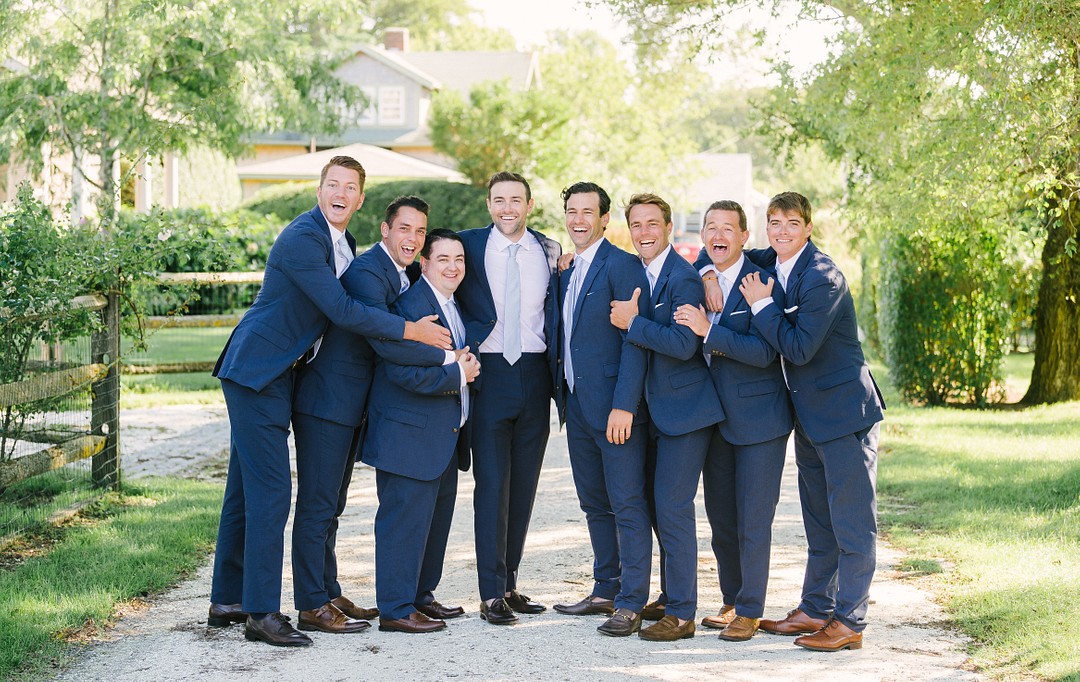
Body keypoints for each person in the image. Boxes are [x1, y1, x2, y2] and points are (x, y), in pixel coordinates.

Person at [207, 156, 451, 647]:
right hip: (257, 370)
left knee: (242, 490)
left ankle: (226, 600)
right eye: (332, 184)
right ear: (320, 190)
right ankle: (260, 613)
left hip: (283, 374)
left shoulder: (344, 242)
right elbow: (340, 310)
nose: (340, 193)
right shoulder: (304, 238)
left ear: (360, 199)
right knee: (272, 492)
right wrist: (413, 330)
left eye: (350, 187)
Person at [290, 196, 459, 634]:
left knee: (334, 505)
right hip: (328, 403)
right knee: (317, 505)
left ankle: (328, 590)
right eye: (405, 229)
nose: (413, 238)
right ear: (386, 230)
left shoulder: (398, 274)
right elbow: (386, 343)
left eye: (420, 231)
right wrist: (447, 361)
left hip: (353, 406)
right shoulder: (369, 273)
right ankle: (311, 604)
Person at [739, 191, 885, 652]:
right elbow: (724, 249)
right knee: (819, 519)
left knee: (852, 522)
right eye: (774, 222)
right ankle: (815, 609)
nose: (781, 231)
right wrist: (705, 267)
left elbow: (800, 348)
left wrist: (762, 306)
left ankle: (850, 622)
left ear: (808, 228)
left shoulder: (823, 278)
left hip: (843, 415)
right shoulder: (776, 260)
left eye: (791, 223)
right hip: (809, 417)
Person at [673, 200, 793, 641]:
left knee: (753, 519)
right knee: (721, 517)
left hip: (760, 420)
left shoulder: (761, 281)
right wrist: (705, 272)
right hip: (713, 419)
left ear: (745, 236)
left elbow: (765, 353)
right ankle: (730, 599)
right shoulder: (696, 277)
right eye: (710, 228)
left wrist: (711, 332)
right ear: (702, 236)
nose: (719, 235)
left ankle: (751, 609)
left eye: (728, 228)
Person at [609, 193, 725, 641]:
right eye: (636, 225)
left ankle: (682, 613)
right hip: (654, 414)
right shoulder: (642, 274)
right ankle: (670, 595)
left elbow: (682, 344)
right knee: (658, 509)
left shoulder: (682, 276)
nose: (644, 233)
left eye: (652, 224)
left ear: (669, 227)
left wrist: (632, 323)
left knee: (674, 510)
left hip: (687, 413)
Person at [361, 229, 481, 634]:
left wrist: (462, 363)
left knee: (433, 522)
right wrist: (456, 374)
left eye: (459, 259)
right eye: (443, 259)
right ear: (424, 264)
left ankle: (420, 596)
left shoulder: (450, 303)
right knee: (403, 522)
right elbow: (399, 371)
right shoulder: (410, 306)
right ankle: (396, 609)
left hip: (443, 434)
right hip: (408, 435)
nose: (453, 267)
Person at [454, 171, 561, 625]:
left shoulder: (550, 250)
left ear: (530, 204)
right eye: (499, 200)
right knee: (493, 484)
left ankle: (511, 581)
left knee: (524, 486)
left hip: (536, 375)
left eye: (515, 200)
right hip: (488, 373)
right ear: (488, 204)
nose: (507, 208)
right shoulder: (467, 246)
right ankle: (490, 591)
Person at [549, 182, 653, 637]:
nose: (578, 220)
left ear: (604, 219)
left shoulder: (623, 264)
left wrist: (624, 406)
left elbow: (635, 341)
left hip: (614, 410)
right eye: (571, 211)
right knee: (594, 503)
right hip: (576, 405)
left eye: (587, 212)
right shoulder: (567, 271)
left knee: (627, 503)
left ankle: (632, 601)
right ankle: (605, 588)